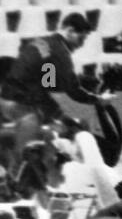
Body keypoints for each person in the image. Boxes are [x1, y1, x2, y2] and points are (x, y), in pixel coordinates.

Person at [0, 13, 110, 159]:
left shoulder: (41, 41)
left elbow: (47, 83)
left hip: (7, 98)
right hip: (21, 106)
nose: (82, 44)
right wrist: (97, 99)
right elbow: (73, 91)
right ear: (70, 31)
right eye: (81, 38)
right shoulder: (61, 52)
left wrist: (58, 112)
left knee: (61, 121)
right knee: (55, 134)